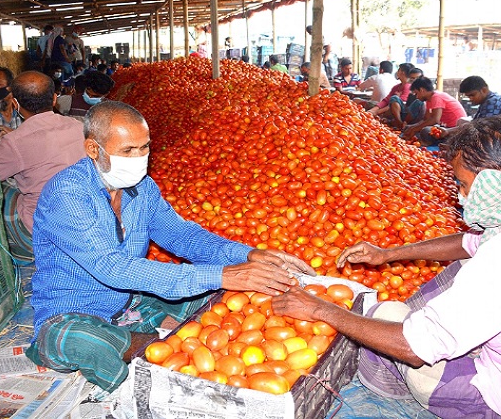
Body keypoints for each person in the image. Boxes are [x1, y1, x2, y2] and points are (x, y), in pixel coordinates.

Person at [273, 115, 501, 419]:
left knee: (386, 323)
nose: (460, 197)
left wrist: (325, 310)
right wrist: (386, 254)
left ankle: (399, 384)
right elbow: (468, 244)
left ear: (491, 184)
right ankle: (442, 335)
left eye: (463, 185)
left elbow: (412, 347)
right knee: (447, 279)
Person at [25, 100, 314, 393]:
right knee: (83, 341)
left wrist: (248, 254)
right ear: (93, 149)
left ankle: (151, 338)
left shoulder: (142, 188)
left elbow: (182, 236)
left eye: (144, 147)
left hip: (129, 303)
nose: (139, 158)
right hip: (72, 313)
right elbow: (112, 268)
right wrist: (223, 274)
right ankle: (153, 340)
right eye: (128, 151)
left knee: (224, 295)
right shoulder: (68, 194)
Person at [0, 71, 86, 261]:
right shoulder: (78, 126)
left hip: (44, 236)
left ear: (16, 104)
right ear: (54, 99)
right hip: (83, 228)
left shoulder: (15, 142)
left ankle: (6, 248)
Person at [402, 76, 466, 146]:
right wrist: (412, 127)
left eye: (416, 93)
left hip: (453, 129)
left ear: (422, 90)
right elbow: (426, 119)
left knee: (425, 131)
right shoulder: (429, 99)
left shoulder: (436, 97)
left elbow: (435, 120)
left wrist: (414, 129)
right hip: (444, 127)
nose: (416, 97)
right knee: (412, 129)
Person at [368, 63, 415, 129]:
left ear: (402, 72)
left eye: (398, 70)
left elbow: (396, 103)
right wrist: (372, 110)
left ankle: (399, 123)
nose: (397, 72)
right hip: (392, 110)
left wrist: (377, 112)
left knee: (394, 99)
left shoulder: (408, 87)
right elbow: (386, 100)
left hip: (404, 113)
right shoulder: (396, 87)